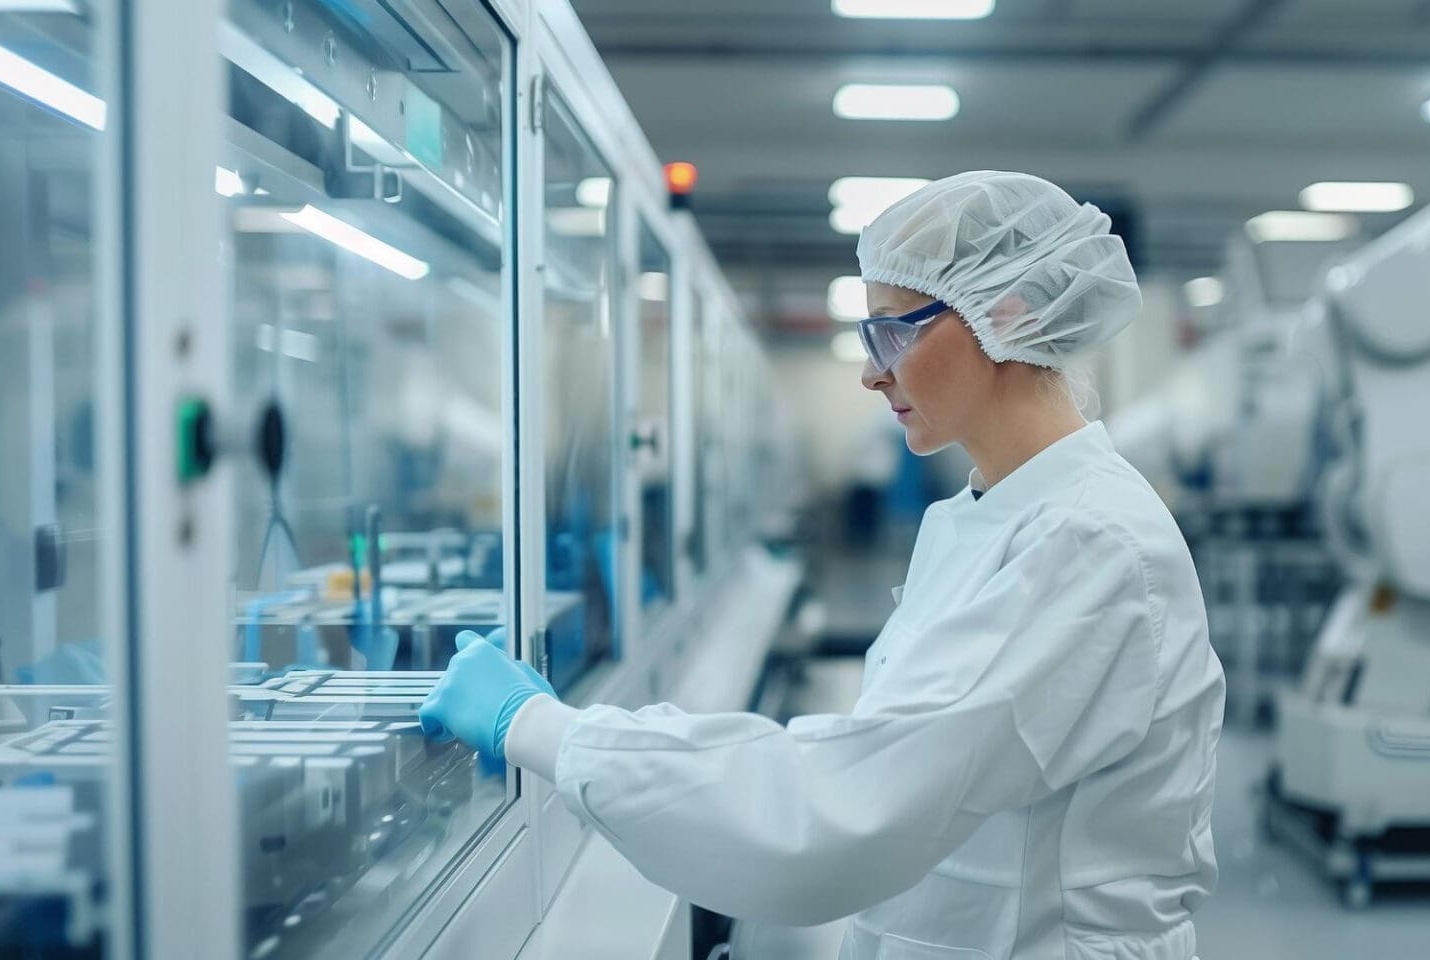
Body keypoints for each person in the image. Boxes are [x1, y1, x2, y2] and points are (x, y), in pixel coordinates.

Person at [421, 171, 1225, 960]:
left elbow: (840, 813)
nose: (871, 370)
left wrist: (545, 730)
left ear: (1004, 315)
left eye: (893, 330)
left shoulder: (1088, 547)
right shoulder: (997, 515)